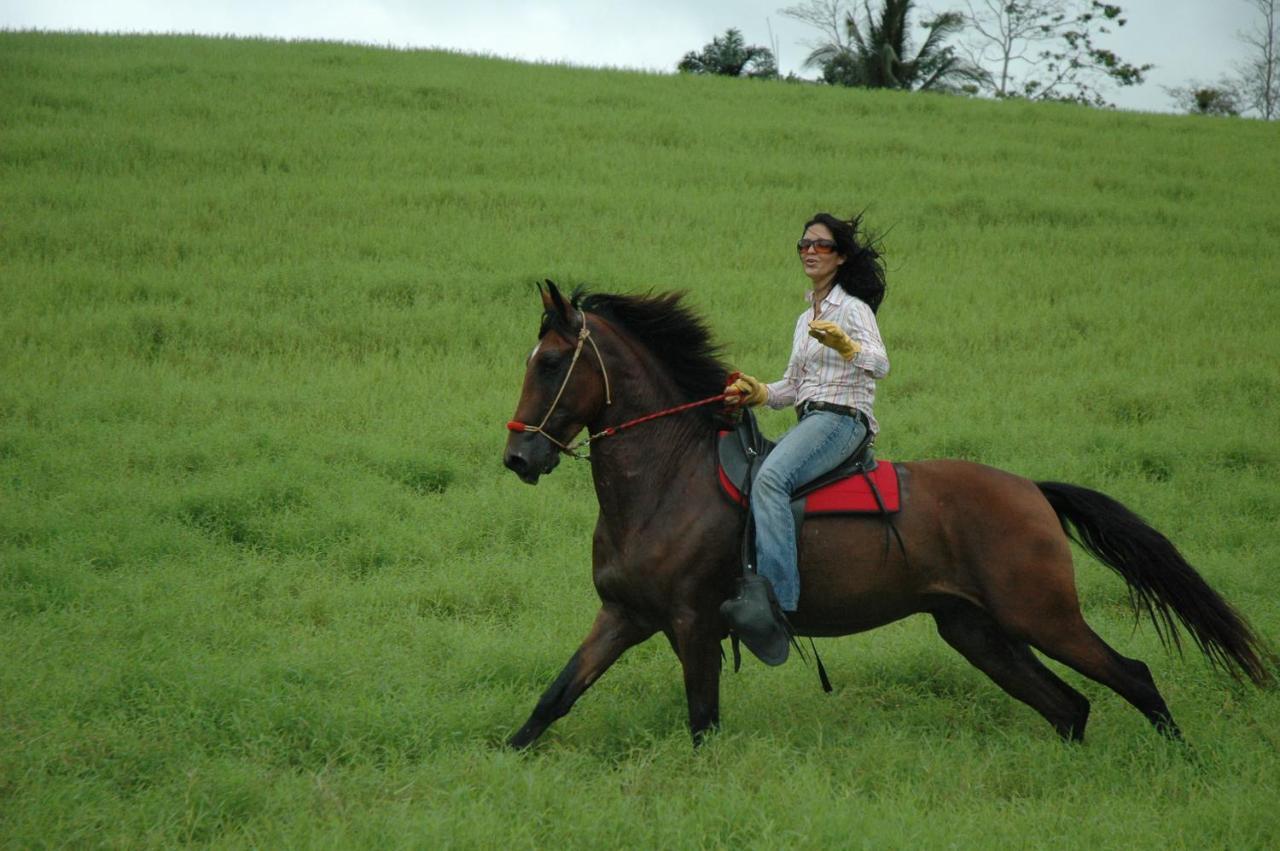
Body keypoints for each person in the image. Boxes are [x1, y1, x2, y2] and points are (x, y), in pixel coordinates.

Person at [720, 212, 890, 664]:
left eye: (822, 245)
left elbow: (881, 363)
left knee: (771, 480)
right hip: (811, 418)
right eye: (804, 244)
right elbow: (791, 388)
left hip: (842, 421)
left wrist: (847, 346)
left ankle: (777, 604)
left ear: (841, 257)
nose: (810, 251)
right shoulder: (804, 319)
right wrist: (757, 392)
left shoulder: (852, 310)